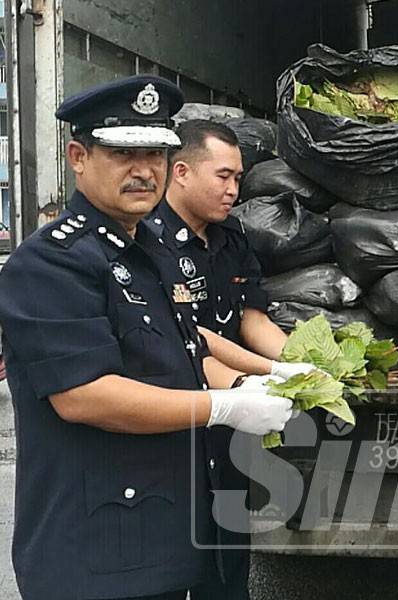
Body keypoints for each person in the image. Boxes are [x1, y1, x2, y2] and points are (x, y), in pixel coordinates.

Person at [0, 75, 294, 600]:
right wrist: (220, 408)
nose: (143, 171)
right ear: (78, 156)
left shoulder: (147, 252)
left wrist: (268, 377)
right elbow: (83, 394)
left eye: (155, 153)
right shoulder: (50, 264)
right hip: (95, 555)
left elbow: (185, 348)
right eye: (122, 153)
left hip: (166, 538)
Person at [147, 119, 315, 599]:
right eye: (223, 176)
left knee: (227, 564)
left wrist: (299, 366)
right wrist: (248, 384)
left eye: (239, 178)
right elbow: (185, 343)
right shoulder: (147, 245)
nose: (233, 190)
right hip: (176, 423)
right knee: (176, 562)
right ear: (181, 172)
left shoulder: (232, 237)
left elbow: (250, 320)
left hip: (232, 428)